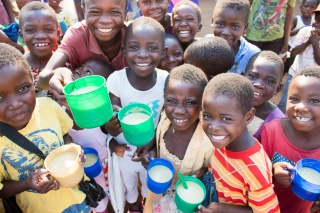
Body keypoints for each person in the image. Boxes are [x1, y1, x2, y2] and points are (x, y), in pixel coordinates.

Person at [0, 43, 90, 213]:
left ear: (33, 83)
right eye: (0, 98)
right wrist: (27, 184)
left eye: (23, 88)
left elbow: (64, 134)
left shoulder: (48, 106)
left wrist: (72, 149)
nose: (15, 104)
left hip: (75, 195)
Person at [102, 17, 168, 213]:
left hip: (151, 151)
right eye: (134, 47)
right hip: (124, 151)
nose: (142, 55)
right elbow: (110, 117)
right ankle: (133, 204)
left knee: (150, 189)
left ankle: (146, 204)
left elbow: (167, 119)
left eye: (152, 48)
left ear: (162, 52)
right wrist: (110, 125)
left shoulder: (166, 81)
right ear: (124, 51)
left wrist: (153, 144)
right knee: (129, 185)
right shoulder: (116, 80)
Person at [199, 73, 280, 212]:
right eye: (207, 116)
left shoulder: (254, 168)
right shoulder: (224, 142)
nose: (213, 127)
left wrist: (222, 209)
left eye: (226, 119)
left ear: (248, 117)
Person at [145, 64, 213, 212]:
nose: (179, 110)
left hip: (184, 205)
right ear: (164, 99)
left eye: (190, 103)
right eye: (171, 101)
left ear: (202, 103)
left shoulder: (208, 141)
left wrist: (202, 173)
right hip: (157, 194)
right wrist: (152, 153)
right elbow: (158, 141)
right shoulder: (164, 119)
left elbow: (214, 173)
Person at [37, 0, 128, 105]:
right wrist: (56, 74)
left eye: (114, 12)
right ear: (84, 11)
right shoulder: (77, 35)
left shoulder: (134, 37)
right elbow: (42, 78)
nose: (105, 20)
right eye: (95, 12)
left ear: (125, 13)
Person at [261, 66, 320, 213]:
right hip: (265, 206)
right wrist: (273, 171)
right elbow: (259, 169)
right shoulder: (272, 130)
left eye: (314, 100)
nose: (300, 107)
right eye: (294, 99)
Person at [68, 59, 114, 213]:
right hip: (84, 172)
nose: (79, 72)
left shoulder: (102, 117)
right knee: (98, 201)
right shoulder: (61, 111)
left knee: (113, 196)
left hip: (106, 168)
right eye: (80, 68)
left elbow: (113, 137)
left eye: (88, 73)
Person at [278, 4, 320, 113]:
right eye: (317, 20)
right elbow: (294, 52)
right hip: (295, 74)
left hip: (314, 80)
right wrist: (308, 41)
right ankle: (276, 124)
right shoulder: (305, 31)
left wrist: (315, 43)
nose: (318, 24)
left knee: (307, 105)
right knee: (285, 102)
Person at [18, 2, 59, 97]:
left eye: (48, 29)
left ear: (58, 34)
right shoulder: (17, 70)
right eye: (31, 30)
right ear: (21, 35)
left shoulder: (68, 62)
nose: (40, 36)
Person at [244, 51, 285, 141]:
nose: (258, 84)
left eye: (269, 81)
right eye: (253, 76)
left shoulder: (277, 122)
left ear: (277, 89)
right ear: (242, 77)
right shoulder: (229, 102)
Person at [212, 0, 260, 74]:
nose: (226, 32)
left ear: (245, 27)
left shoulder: (253, 55)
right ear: (212, 22)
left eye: (235, 26)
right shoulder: (203, 47)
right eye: (220, 24)